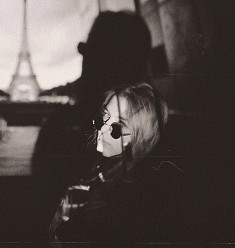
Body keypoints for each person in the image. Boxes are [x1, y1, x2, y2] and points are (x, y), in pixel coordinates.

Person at [50, 83, 185, 245]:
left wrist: (66, 227)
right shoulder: (97, 167)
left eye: (119, 124)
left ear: (142, 134)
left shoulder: (139, 197)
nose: (103, 129)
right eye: (105, 116)